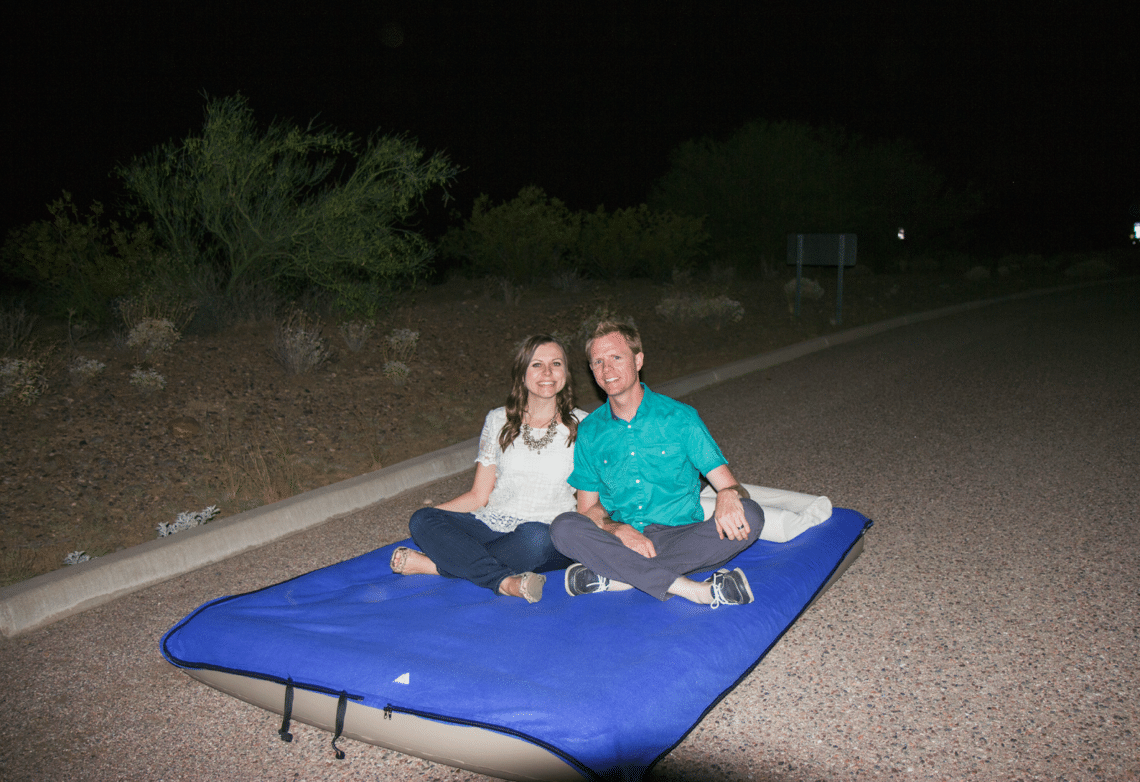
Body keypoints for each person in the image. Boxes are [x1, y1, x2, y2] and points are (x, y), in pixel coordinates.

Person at [549, 320, 764, 607]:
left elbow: (733, 486)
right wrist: (617, 530)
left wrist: (728, 494)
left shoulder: (680, 418)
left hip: (682, 538)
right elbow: (588, 510)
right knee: (563, 527)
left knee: (750, 515)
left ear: (638, 360)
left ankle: (620, 577)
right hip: (623, 540)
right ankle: (695, 590)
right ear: (592, 371)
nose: (607, 369)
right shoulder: (589, 430)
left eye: (616, 357)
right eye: (597, 362)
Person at [390, 334, 585, 603]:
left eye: (557, 363)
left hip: (545, 534)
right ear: (522, 373)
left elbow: (589, 503)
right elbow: (478, 497)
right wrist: (434, 521)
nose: (548, 372)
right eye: (537, 364)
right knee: (422, 519)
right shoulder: (498, 420)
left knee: (536, 539)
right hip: (492, 524)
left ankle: (437, 566)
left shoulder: (584, 426)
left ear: (566, 372)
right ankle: (504, 582)